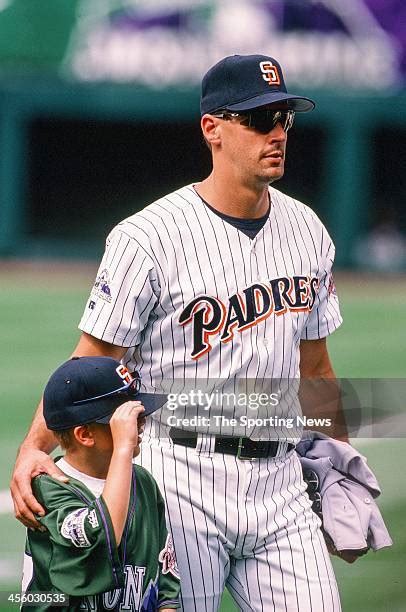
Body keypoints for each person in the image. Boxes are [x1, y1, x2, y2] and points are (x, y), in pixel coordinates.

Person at [12, 54, 346, 611]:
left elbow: (315, 369)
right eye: (260, 119)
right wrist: (31, 450)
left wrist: (338, 460)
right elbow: (89, 361)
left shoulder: (308, 229)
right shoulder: (147, 237)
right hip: (178, 481)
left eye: (285, 118)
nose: (278, 133)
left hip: (282, 483)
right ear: (212, 128)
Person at [20, 356, 179, 611]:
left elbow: (166, 586)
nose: (141, 423)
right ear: (84, 434)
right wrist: (123, 449)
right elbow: (101, 537)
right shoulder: (48, 491)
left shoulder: (144, 483)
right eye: (123, 421)